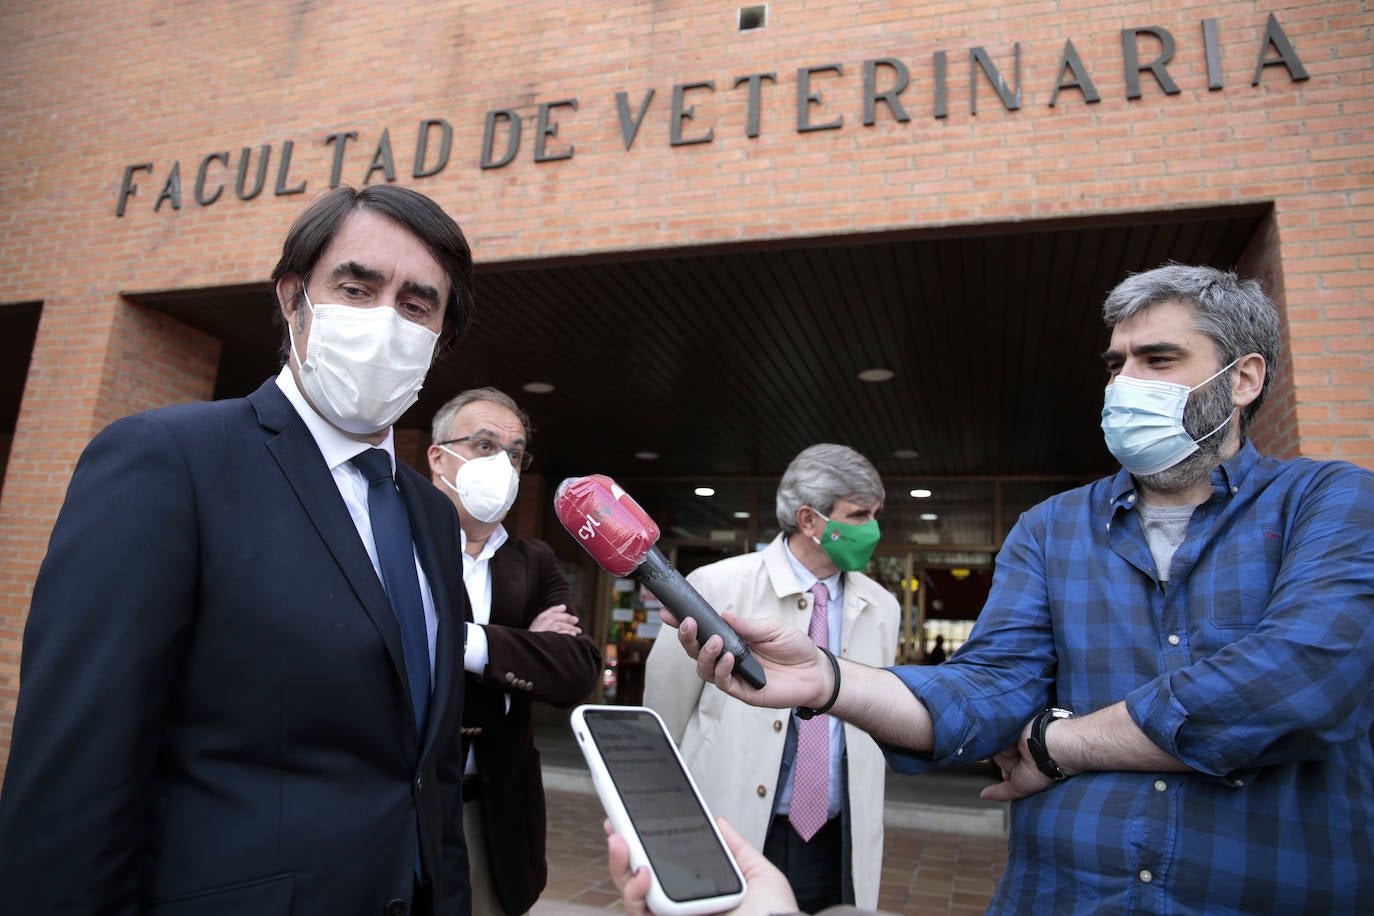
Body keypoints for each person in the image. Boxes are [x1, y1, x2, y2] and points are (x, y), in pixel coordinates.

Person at [636, 265, 1374, 914]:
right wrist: (827, 680)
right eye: (1116, 363)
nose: (1125, 384)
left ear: (1242, 379)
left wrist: (1065, 743)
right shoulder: (1050, 529)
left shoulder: (1330, 503)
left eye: (1159, 359)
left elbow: (1303, 680)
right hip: (1062, 895)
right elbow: (989, 692)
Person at [0, 185, 479, 916]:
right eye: (356, 287)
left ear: (440, 338)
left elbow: (428, 766)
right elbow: (78, 774)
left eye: (417, 305)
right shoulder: (169, 462)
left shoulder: (431, 517)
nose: (385, 320)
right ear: (293, 298)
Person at [643, 444, 900, 912]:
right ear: (809, 520)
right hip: (735, 826)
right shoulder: (718, 586)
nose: (873, 529)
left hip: (839, 832)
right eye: (859, 515)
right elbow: (663, 714)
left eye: (876, 514)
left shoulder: (883, 606)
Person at [426, 387, 601, 916]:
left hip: (494, 807)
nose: (502, 463)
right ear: (439, 457)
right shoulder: (398, 541)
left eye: (515, 453)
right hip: (402, 804)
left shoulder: (535, 560)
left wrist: (464, 640)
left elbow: (576, 670)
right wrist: (526, 646)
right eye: (484, 445)